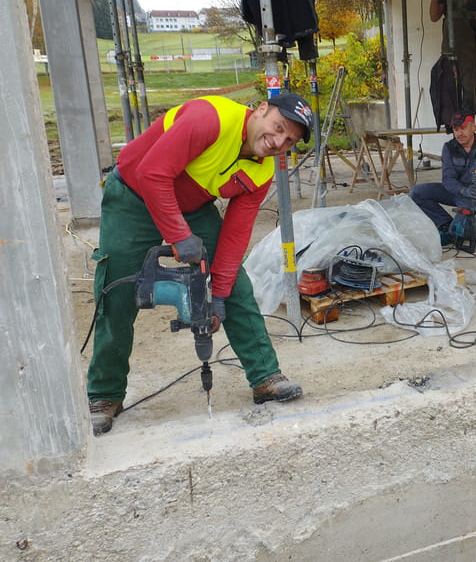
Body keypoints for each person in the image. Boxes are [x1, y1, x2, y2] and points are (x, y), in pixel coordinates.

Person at [87, 93, 313, 435]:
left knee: (235, 283)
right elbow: (152, 173)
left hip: (192, 205)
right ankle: (105, 395)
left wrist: (218, 297)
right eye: (278, 127)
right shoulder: (209, 119)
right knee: (115, 292)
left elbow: (234, 238)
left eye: (290, 141)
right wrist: (179, 236)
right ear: (261, 109)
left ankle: (265, 376)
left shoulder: (262, 169)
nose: (279, 141)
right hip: (133, 196)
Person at [409, 113, 476, 249]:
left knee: (462, 235)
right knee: (417, 192)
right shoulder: (449, 147)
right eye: (456, 129)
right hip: (456, 192)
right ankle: (445, 223)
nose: (459, 133)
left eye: (463, 128)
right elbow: (448, 179)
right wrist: (464, 190)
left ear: (473, 127)